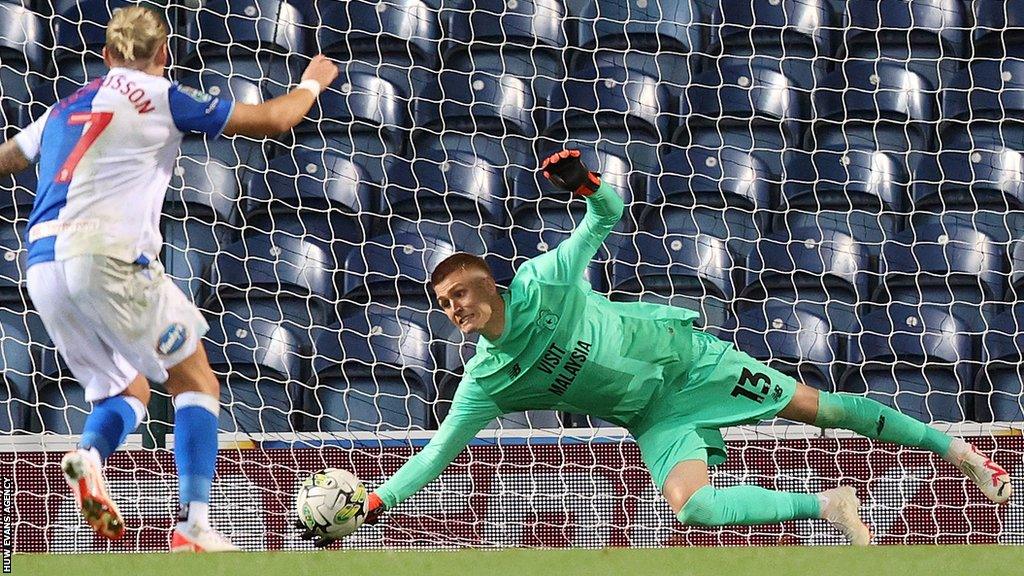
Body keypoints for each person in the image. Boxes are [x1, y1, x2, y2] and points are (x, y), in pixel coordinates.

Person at [302, 149, 1012, 547]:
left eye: (459, 292)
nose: (452, 308)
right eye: (443, 304)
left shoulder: (546, 282)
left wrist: (583, 184)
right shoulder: (487, 380)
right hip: (655, 417)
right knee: (691, 510)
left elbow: (606, 213)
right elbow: (435, 455)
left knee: (819, 409)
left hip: (688, 362)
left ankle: (962, 454)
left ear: (489, 284)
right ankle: (826, 506)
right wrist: (373, 503)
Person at [0, 6, 338, 552]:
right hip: (107, 254)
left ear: (105, 56)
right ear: (164, 54)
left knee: (127, 387)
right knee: (197, 381)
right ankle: (194, 526)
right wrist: (312, 82)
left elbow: (9, 157)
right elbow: (275, 119)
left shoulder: (62, 108)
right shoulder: (162, 95)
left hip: (40, 265)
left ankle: (88, 456)